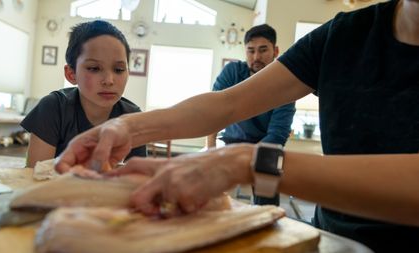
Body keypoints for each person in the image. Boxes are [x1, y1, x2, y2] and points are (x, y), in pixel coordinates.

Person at [55, 1, 419, 252]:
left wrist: (245, 162)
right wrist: (127, 127)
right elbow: (227, 104)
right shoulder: (345, 35)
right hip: (332, 238)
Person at [21, 20, 146, 168]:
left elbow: (137, 181)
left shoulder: (133, 117)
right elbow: (36, 175)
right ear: (71, 74)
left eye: (118, 70)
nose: (109, 80)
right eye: (94, 68)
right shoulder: (52, 107)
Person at [207, 24, 295, 206]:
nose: (256, 57)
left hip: (266, 146)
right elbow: (213, 109)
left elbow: (277, 135)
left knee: (267, 188)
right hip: (230, 142)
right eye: (251, 51)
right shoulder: (232, 72)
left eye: (263, 50)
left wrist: (245, 160)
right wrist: (210, 148)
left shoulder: (286, 85)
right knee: (207, 186)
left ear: (275, 50)